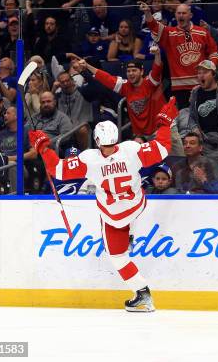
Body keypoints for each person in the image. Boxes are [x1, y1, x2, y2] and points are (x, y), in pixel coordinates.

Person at [28, 99, 176, 312]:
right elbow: (163, 148)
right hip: (136, 205)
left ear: (96, 139)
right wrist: (164, 123)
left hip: (113, 217)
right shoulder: (132, 149)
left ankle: (142, 293)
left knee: (117, 257)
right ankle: (131, 235)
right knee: (136, 198)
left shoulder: (89, 159)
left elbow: (56, 169)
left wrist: (43, 146)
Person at [142, 1, 218, 109]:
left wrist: (210, 68)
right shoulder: (169, 33)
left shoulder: (202, 32)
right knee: (185, 120)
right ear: (175, 15)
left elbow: (213, 52)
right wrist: (147, 12)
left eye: (184, 13)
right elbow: (154, 26)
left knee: (204, 116)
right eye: (178, 13)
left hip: (202, 83)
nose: (181, 15)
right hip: (180, 87)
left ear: (190, 15)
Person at [53, 72, 93, 151]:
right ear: (59, 84)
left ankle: (85, 155)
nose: (65, 83)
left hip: (82, 125)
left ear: (72, 80)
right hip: (65, 128)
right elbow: (48, 103)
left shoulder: (83, 91)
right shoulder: (58, 96)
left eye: (67, 80)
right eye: (62, 82)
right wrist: (53, 89)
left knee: (81, 130)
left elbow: (93, 85)